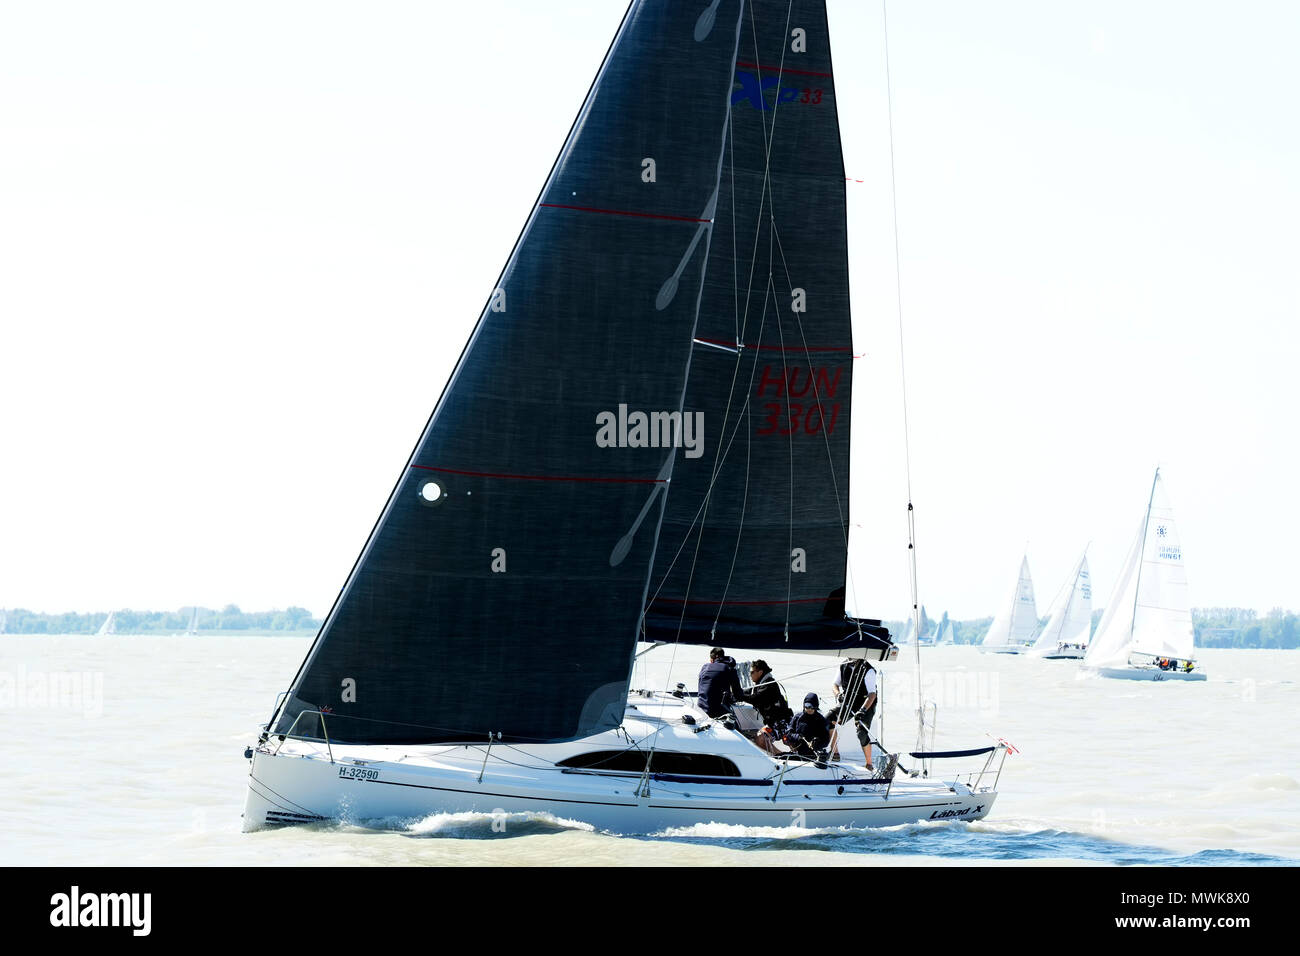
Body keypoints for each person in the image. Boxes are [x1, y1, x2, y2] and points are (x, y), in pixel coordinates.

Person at [827, 657, 878, 767]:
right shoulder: (844, 665)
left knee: (861, 732)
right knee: (829, 719)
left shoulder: (868, 669)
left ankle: (869, 764)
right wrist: (838, 695)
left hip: (866, 703)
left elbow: (872, 695)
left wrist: (862, 711)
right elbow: (835, 684)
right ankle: (835, 753)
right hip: (848, 702)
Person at [742, 659, 792, 754]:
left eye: (752, 672)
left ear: (760, 672)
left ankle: (781, 756)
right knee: (757, 738)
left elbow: (755, 698)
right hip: (773, 723)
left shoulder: (769, 685)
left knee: (761, 738)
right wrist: (734, 694)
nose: (750, 674)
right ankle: (781, 755)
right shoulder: (760, 684)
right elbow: (747, 692)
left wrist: (739, 696)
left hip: (782, 723)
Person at [697, 647, 743, 719]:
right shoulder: (729, 668)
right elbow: (737, 692)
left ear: (711, 660)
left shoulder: (704, 667)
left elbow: (700, 687)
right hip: (719, 711)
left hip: (701, 709)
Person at [783, 692, 830, 760]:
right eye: (807, 705)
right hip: (798, 752)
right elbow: (788, 734)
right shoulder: (797, 717)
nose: (809, 709)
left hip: (813, 756)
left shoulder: (821, 720)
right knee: (780, 757)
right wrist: (797, 737)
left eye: (811, 706)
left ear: (815, 706)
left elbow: (825, 740)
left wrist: (817, 743)